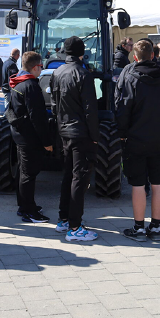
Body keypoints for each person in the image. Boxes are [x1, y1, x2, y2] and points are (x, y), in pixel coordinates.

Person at [116, 40, 160, 242]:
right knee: (158, 183)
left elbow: (122, 106)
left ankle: (139, 228)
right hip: (157, 136)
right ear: (153, 55)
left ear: (135, 56)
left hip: (135, 137)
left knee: (138, 184)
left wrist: (122, 132)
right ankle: (156, 227)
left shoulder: (128, 73)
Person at [51, 37, 99, 242]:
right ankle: (75, 227)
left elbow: (54, 104)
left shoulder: (57, 72)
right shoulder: (83, 74)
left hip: (64, 131)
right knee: (79, 178)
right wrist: (95, 136)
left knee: (69, 175)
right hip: (81, 133)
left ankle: (64, 220)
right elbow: (90, 109)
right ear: (82, 52)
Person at [6, 51, 54, 223]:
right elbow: (38, 117)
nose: (41, 70)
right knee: (29, 175)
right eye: (41, 66)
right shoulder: (31, 86)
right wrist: (47, 142)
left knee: (22, 172)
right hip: (29, 137)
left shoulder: (17, 83)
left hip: (19, 135)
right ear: (35, 67)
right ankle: (29, 211)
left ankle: (23, 205)